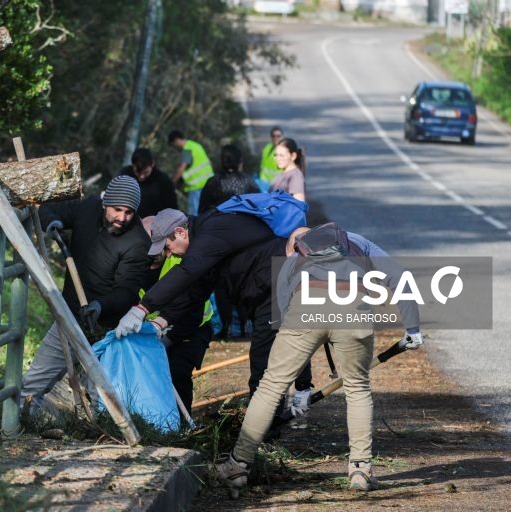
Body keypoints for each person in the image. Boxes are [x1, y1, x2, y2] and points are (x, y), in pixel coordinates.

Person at [214, 223, 423, 494]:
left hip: (305, 305)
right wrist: (413, 329)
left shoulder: (294, 256)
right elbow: (400, 276)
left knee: (271, 384)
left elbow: (282, 314)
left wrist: (301, 381)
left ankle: (237, 466)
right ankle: (360, 469)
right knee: (357, 388)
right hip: (355, 307)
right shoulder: (358, 242)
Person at [114, 206, 313, 423]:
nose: (169, 254)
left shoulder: (210, 234)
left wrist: (141, 308)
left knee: (263, 368)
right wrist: (159, 324)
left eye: (168, 247)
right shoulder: (206, 240)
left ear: (180, 232)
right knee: (267, 361)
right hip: (264, 292)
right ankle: (267, 427)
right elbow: (196, 291)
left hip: (276, 287)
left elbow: (187, 274)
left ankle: (264, 435)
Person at [21, 176, 150, 413]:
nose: (122, 218)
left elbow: (127, 291)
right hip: (69, 316)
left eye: (129, 212)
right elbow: (47, 208)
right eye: (117, 210)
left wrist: (101, 305)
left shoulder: (138, 242)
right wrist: (53, 222)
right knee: (32, 386)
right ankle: (17, 428)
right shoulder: (88, 207)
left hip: (104, 330)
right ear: (105, 204)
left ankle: (109, 438)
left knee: (103, 398)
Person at [139, 213, 213, 412]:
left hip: (190, 329)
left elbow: (192, 308)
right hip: (153, 331)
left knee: (177, 372)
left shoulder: (180, 257)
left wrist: (167, 340)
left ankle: (181, 425)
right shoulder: (137, 264)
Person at [198, 144, 258, 338]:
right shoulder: (249, 182)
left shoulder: (213, 183)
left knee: (222, 285)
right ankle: (244, 325)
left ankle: (226, 326)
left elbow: (202, 212)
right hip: (244, 239)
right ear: (240, 161)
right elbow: (260, 208)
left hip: (219, 239)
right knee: (243, 281)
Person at [119, 147, 178, 218]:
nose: (141, 176)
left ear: (152, 164)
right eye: (137, 172)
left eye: (145, 172)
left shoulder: (163, 181)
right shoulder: (124, 175)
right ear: (133, 165)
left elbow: (172, 208)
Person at [167, 130, 214, 216]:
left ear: (176, 140)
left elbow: (182, 168)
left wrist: (172, 182)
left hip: (196, 187)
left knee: (194, 214)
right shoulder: (195, 145)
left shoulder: (187, 149)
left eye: (173, 145)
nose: (175, 148)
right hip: (209, 183)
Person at [269, 137, 306, 202]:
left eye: (281, 155)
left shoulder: (296, 176)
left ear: (293, 156)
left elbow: (298, 206)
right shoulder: (281, 174)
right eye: (276, 155)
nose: (277, 158)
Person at [258, 126, 284, 191]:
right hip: (263, 185)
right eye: (273, 136)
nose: (276, 138)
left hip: (278, 186)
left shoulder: (285, 152)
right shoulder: (266, 148)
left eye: (278, 136)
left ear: (282, 137)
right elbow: (262, 167)